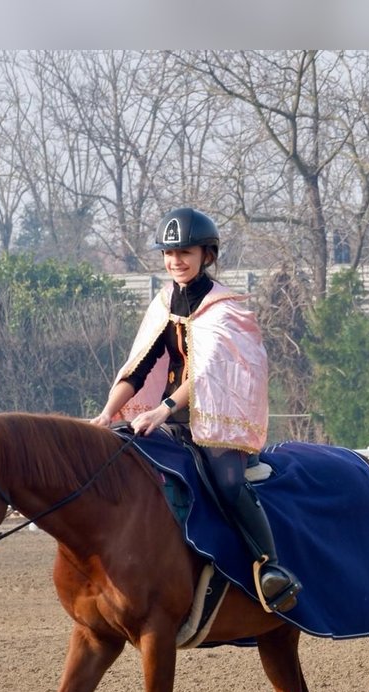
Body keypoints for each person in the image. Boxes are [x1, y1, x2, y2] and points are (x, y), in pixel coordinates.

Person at [90, 207, 301, 612]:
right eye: (169, 254)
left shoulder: (224, 309)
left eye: (185, 252)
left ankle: (271, 569)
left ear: (208, 254)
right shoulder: (164, 303)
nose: (176, 261)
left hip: (214, 426)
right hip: (170, 423)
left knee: (227, 484)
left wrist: (161, 410)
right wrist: (106, 414)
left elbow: (207, 374)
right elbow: (138, 368)